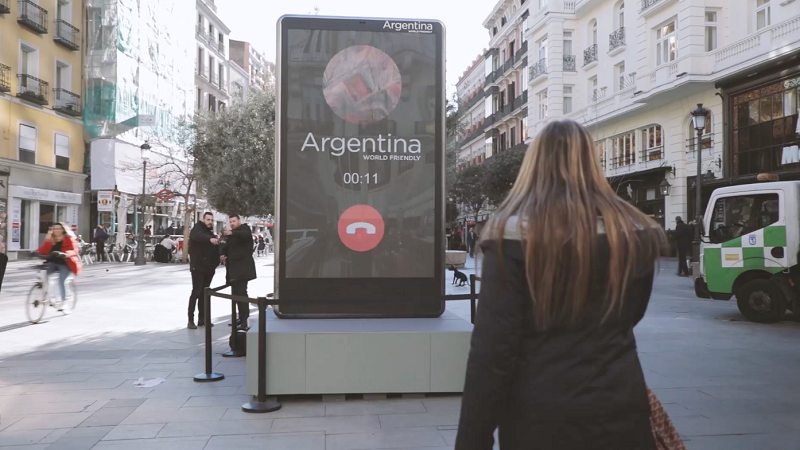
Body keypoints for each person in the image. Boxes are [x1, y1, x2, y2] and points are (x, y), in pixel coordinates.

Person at [454, 120, 666, 450]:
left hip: (540, 416)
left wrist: (472, 440)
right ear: (591, 164)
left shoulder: (511, 238)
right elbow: (631, 316)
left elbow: (493, 352)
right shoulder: (632, 234)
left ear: (534, 165)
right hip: (621, 406)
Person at [221, 215, 256, 329]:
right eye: (230, 221)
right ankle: (241, 318)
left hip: (243, 269)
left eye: (234, 221)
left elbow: (245, 236)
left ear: (239, 221)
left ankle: (245, 319)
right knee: (236, 294)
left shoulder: (244, 229)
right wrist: (222, 254)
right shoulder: (232, 235)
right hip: (233, 270)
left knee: (242, 293)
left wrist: (232, 233)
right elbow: (228, 247)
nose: (232, 223)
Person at [36, 223, 82, 309]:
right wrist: (36, 252)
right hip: (52, 262)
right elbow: (43, 249)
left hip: (65, 263)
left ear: (63, 230)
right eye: (55, 229)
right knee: (44, 277)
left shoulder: (69, 239)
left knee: (62, 282)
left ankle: (65, 301)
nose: (57, 231)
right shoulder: (51, 239)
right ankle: (46, 297)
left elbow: (74, 250)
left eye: (59, 229)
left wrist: (65, 254)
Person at [187, 212, 220, 329]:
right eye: (208, 219)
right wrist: (210, 239)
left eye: (211, 220)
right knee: (196, 292)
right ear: (203, 219)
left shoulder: (210, 232)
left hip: (209, 268)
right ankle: (190, 320)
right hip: (198, 267)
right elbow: (198, 236)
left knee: (204, 294)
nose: (210, 222)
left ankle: (202, 319)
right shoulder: (197, 229)